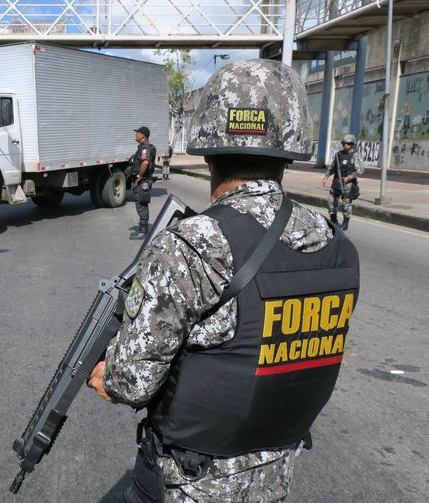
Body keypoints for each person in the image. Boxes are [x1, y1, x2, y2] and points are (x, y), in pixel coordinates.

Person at [88, 59, 360, 502]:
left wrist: (105, 374)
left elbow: (132, 381)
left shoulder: (190, 245)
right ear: (290, 146)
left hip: (189, 483)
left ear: (208, 149)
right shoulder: (334, 243)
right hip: (275, 477)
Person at [321, 133, 363, 230]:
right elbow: (332, 168)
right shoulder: (338, 155)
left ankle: (345, 223)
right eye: (344, 143)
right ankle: (333, 220)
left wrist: (349, 177)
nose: (345, 145)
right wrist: (325, 177)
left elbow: (360, 170)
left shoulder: (356, 155)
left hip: (348, 184)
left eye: (348, 143)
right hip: (336, 182)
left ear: (352, 144)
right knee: (331, 202)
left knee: (346, 204)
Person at [130, 126, 157, 239]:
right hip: (145, 179)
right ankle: (143, 229)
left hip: (144, 180)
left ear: (143, 135)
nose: (136, 134)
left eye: (137, 132)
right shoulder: (145, 147)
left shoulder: (145, 147)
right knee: (142, 204)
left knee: (141, 205)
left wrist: (139, 177)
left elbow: (145, 163)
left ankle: (143, 232)